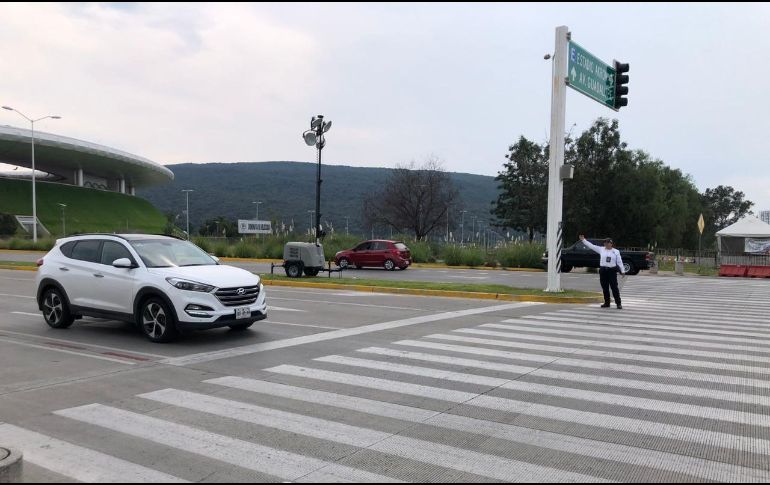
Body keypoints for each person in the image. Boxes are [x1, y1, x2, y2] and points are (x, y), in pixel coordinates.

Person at [578, 235, 625, 309]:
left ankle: (618, 303)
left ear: (611, 243)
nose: (605, 244)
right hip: (603, 271)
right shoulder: (601, 249)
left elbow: (619, 262)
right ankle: (607, 303)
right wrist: (584, 240)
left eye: (607, 243)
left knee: (614, 287)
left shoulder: (616, 251)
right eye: (605, 243)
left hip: (612, 271)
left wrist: (622, 271)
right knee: (605, 287)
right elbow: (591, 246)